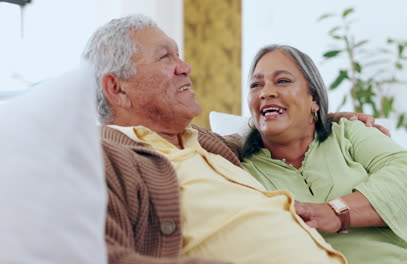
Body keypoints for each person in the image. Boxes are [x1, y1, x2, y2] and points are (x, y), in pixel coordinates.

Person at [82, 14, 389, 264]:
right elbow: (91, 254)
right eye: (165, 57)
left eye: (179, 55)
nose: (186, 67)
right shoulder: (102, 156)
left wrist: (320, 114)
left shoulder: (202, 142)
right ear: (117, 89)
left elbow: (261, 126)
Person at [240, 44, 407, 264]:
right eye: (255, 85)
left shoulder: (348, 133)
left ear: (314, 99)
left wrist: (336, 212)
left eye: (282, 81)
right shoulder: (239, 169)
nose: (266, 92)